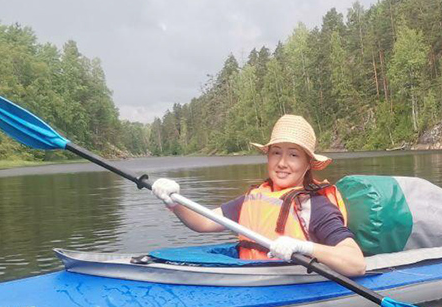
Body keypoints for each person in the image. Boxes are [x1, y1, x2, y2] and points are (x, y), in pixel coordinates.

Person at [151, 114, 366, 276]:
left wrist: (303, 247)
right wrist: (173, 202)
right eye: (276, 153)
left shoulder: (315, 206)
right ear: (268, 157)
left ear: (308, 164)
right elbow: (203, 223)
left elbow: (356, 262)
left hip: (292, 285)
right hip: (251, 277)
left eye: (293, 154)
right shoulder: (254, 198)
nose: (282, 163)